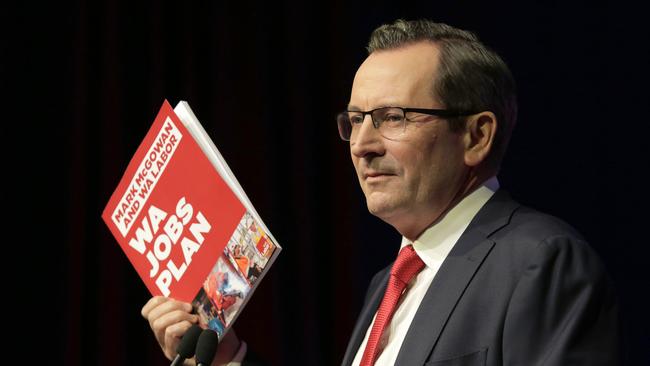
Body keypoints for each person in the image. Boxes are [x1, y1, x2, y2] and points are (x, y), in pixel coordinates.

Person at [142, 19, 620, 365]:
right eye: (355, 121)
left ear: (476, 136)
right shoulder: (388, 284)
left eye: (394, 118)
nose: (363, 146)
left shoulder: (541, 263)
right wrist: (229, 360)